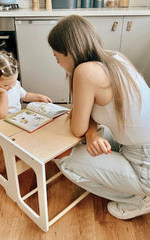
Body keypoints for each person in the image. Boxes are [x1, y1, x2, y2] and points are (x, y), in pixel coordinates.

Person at [48, 15, 150, 220]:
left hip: (144, 163)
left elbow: (77, 128)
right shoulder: (114, 58)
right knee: (90, 141)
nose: (58, 62)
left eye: (57, 57)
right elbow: (88, 119)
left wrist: (88, 130)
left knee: (64, 158)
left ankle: (139, 199)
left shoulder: (85, 71)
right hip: (136, 148)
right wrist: (92, 132)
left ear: (69, 52)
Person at [0, 50, 52, 119]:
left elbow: (25, 96)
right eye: (6, 85)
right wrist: (3, 94)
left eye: (14, 81)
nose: (11, 86)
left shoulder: (14, 85)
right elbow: (1, 115)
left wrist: (39, 97)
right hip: (0, 126)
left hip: (16, 120)